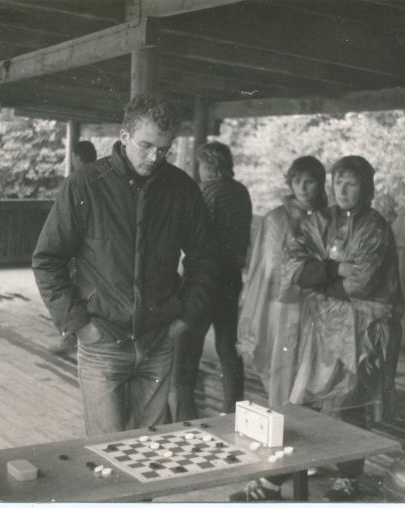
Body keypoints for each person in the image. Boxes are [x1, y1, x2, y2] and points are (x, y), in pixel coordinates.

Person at [32, 93, 217, 436]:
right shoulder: (85, 184)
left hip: (159, 341)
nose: (154, 157)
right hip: (102, 342)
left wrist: (184, 317)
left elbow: (205, 261)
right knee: (109, 455)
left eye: (164, 149)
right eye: (146, 145)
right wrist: (77, 323)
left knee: (153, 452)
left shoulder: (182, 190)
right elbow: (47, 259)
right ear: (123, 137)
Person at [284, 155, 404, 501]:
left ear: (365, 187)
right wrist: (335, 270)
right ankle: (319, 458)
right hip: (322, 325)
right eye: (338, 182)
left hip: (363, 330)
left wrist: (318, 277)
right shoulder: (318, 220)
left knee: (349, 401)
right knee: (311, 396)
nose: (343, 189)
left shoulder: (375, 228)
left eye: (351, 183)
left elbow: (363, 283)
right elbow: (292, 265)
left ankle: (350, 474)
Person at [230, 156, 328, 501]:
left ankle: (306, 455)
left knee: (311, 379)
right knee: (281, 377)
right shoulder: (276, 218)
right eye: (297, 180)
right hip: (282, 306)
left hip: (317, 307)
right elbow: (270, 269)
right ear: (289, 182)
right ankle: (279, 455)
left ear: (321, 183)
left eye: (311, 180)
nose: (303, 187)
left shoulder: (327, 217)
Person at [173, 141, 252, 420]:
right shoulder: (241, 192)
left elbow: (194, 234)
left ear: (206, 165)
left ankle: (187, 417)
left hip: (204, 278)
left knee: (187, 350)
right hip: (232, 275)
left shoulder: (206, 191)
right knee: (227, 347)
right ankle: (234, 412)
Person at [49, 140, 99, 355]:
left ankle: (70, 338)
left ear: (77, 157)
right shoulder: (105, 178)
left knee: (70, 290)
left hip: (78, 246)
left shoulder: (77, 180)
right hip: (97, 246)